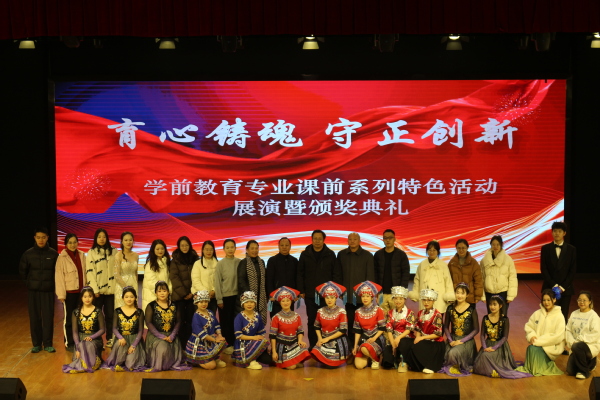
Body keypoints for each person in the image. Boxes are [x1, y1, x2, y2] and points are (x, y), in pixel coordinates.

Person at [296, 230, 340, 348]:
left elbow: (335, 273)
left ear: (324, 240)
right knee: (312, 321)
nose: (317, 241)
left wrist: (334, 291)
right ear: (312, 239)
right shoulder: (305, 254)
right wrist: (301, 290)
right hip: (310, 294)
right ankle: (313, 346)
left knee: (327, 320)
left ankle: (326, 346)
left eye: (320, 239)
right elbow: (300, 273)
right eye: (315, 238)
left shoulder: (330, 254)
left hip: (327, 295)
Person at [19, 227, 59, 353]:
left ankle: (47, 344)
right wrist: (29, 284)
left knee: (48, 317)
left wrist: (53, 285)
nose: (41, 240)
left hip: (48, 291)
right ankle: (36, 344)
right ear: (34, 238)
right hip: (33, 291)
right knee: (34, 317)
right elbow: (22, 272)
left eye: (43, 237)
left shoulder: (53, 254)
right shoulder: (28, 254)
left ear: (47, 238)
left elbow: (58, 272)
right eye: (38, 237)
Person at [473, 295, 531, 379]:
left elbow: (504, 337)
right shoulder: (485, 318)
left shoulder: (504, 319)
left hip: (499, 346)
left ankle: (493, 370)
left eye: (494, 304)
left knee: (485, 356)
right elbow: (482, 335)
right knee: (479, 362)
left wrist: (494, 348)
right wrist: (485, 347)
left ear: (500, 306)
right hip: (487, 345)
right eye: (490, 304)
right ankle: (491, 370)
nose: (492, 307)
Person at [336, 232, 375, 348]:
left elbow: (370, 276)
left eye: (355, 239)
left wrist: (369, 293)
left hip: (363, 297)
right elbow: (338, 274)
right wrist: (340, 291)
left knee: (364, 322)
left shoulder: (367, 255)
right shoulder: (342, 254)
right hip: (348, 296)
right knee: (350, 322)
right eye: (350, 239)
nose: (352, 241)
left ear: (359, 241)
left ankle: (363, 346)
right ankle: (351, 347)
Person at [515, 289, 565, 376]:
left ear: (554, 300)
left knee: (534, 349)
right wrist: (532, 336)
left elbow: (558, 336)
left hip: (550, 347)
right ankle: (533, 369)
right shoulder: (537, 313)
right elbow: (529, 327)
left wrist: (539, 342)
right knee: (531, 348)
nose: (546, 302)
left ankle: (538, 369)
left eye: (548, 300)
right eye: (544, 300)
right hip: (537, 343)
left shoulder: (559, 316)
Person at [144, 281, 190, 372]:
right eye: (159, 291)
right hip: (156, 336)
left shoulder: (174, 305)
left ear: (168, 292)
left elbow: (178, 321)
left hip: (171, 335)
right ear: (156, 293)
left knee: (171, 348)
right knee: (163, 348)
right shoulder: (151, 305)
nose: (162, 293)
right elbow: (148, 323)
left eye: (164, 291)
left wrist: (172, 335)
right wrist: (161, 336)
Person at [62, 287, 105, 373]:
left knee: (88, 344)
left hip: (94, 339)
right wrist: (78, 348)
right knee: (83, 344)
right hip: (81, 340)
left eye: (90, 296)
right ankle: (86, 365)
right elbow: (75, 332)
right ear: (81, 298)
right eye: (85, 296)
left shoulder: (98, 311)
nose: (87, 299)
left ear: (93, 297)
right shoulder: (76, 312)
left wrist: (91, 337)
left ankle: (86, 365)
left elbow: (102, 329)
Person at [439, 283, 479, 376]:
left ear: (467, 295)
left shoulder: (471, 309)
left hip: (466, 340)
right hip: (452, 339)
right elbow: (446, 326)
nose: (459, 295)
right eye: (457, 292)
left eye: (462, 293)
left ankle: (456, 366)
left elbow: (476, 329)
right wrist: (450, 340)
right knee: (442, 353)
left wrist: (461, 341)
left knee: (453, 353)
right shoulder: (450, 308)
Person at [541, 221, 577, 322]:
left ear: (564, 233)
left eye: (560, 231)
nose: (557, 233)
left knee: (563, 316)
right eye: (555, 231)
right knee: (547, 316)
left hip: (565, 289)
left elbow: (572, 270)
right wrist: (554, 285)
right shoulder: (545, 248)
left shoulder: (571, 249)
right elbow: (543, 269)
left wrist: (562, 287)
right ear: (552, 232)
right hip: (549, 288)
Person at [103, 286, 147, 372]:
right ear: (123, 298)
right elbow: (114, 328)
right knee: (119, 360)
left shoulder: (139, 312)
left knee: (130, 364)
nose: (129, 299)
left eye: (131, 297)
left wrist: (134, 345)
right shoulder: (117, 311)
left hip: (134, 340)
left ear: (135, 298)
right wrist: (120, 338)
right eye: (126, 297)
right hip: (122, 340)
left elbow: (140, 331)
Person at [55, 233, 86, 350]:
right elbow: (59, 277)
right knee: (69, 319)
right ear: (66, 244)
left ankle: (80, 341)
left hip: (82, 293)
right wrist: (61, 294)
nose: (73, 245)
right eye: (70, 243)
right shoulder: (62, 258)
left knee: (81, 318)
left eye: (74, 242)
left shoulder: (82, 255)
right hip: (69, 293)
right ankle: (69, 342)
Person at [86, 228, 116, 348]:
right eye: (99, 237)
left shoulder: (114, 251)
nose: (102, 239)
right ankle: (97, 340)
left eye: (104, 236)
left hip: (111, 291)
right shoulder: (91, 252)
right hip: (97, 292)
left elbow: (117, 270)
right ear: (96, 238)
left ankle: (110, 338)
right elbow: (90, 272)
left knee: (110, 316)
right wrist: (95, 290)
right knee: (97, 317)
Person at [405, 288, 446, 374]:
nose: (426, 302)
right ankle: (418, 366)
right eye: (424, 300)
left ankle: (430, 366)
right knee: (409, 344)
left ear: (433, 301)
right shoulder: (420, 313)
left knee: (418, 346)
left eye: (429, 300)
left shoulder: (437, 314)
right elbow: (418, 328)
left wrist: (422, 338)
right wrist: (418, 337)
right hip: (423, 339)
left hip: (435, 342)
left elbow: (438, 334)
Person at [269, 286, 311, 369]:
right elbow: (272, 336)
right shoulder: (276, 317)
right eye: (283, 301)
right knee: (292, 367)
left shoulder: (297, 316)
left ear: (291, 301)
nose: (286, 303)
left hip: (294, 343)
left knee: (305, 352)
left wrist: (300, 340)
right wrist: (274, 351)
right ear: (280, 303)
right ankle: (289, 362)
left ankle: (293, 361)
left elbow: (300, 331)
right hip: (282, 345)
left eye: (288, 300)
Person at [311, 281, 349, 368]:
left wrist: (327, 339)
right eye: (327, 298)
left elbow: (343, 330)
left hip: (337, 339)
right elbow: (316, 326)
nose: (329, 300)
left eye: (332, 297)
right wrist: (320, 339)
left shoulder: (341, 311)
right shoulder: (320, 311)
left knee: (331, 365)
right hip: (324, 338)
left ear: (336, 298)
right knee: (315, 352)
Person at [185, 290, 227, 369]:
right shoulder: (196, 316)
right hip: (200, 342)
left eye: (205, 301)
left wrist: (219, 335)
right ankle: (196, 361)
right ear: (196, 303)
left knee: (222, 341)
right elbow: (201, 334)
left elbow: (216, 324)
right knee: (212, 366)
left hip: (210, 340)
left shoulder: (210, 312)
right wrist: (215, 340)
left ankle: (214, 358)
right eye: (201, 302)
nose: (204, 304)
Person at [169, 236, 199, 349]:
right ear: (179, 246)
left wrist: (192, 293)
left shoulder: (195, 259)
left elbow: (197, 276)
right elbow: (174, 278)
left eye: (186, 245)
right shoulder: (175, 260)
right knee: (180, 321)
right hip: (179, 297)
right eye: (182, 245)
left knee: (192, 321)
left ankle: (190, 345)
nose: (184, 247)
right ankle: (181, 346)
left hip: (193, 296)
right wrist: (185, 293)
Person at [409, 240, 455, 312]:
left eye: (434, 250)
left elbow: (448, 281)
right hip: (425, 298)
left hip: (439, 298)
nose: (432, 252)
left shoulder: (443, 265)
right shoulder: (422, 264)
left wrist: (449, 295)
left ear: (438, 251)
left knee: (438, 315)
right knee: (424, 316)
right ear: (427, 251)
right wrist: (415, 293)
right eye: (430, 250)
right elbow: (417, 280)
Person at [214, 238, 241, 355]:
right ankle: (227, 344)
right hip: (225, 297)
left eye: (232, 247)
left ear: (235, 248)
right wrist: (219, 299)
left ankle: (236, 343)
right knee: (226, 322)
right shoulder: (220, 264)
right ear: (224, 249)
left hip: (237, 297)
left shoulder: (239, 262)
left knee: (236, 321)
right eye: (227, 247)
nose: (230, 249)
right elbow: (217, 282)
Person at [565, 291, 600, 379]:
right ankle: (590, 363)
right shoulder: (574, 313)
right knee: (570, 371)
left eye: (584, 300)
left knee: (578, 346)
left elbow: (595, 334)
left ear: (590, 302)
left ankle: (584, 371)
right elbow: (568, 330)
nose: (582, 302)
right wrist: (571, 341)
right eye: (579, 300)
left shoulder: (594, 316)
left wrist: (578, 341)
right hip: (575, 345)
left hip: (589, 346)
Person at [233, 291, 272, 370]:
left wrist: (263, 345)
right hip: (243, 343)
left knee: (268, 360)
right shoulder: (239, 317)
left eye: (251, 302)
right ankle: (250, 361)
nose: (249, 304)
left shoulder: (257, 316)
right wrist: (254, 338)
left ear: (255, 303)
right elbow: (238, 336)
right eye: (247, 302)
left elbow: (261, 332)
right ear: (243, 304)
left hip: (255, 342)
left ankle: (254, 357)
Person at [352, 281, 386, 370]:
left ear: (372, 297)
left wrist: (374, 338)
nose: (365, 298)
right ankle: (370, 356)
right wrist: (355, 345)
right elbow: (357, 331)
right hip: (364, 339)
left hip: (376, 338)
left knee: (364, 348)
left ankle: (376, 360)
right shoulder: (358, 312)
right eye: (363, 296)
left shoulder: (378, 310)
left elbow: (382, 328)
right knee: (359, 366)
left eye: (367, 296)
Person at [374, 229, 410, 313]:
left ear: (394, 239)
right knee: (382, 317)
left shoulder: (401, 254)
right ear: (383, 239)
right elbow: (375, 273)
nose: (388, 240)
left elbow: (405, 273)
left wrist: (402, 291)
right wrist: (376, 290)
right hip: (382, 293)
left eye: (390, 238)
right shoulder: (378, 254)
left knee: (396, 316)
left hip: (396, 294)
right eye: (385, 238)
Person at [480, 235, 518, 314]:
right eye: (493, 244)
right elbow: (481, 278)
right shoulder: (484, 260)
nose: (495, 246)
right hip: (489, 293)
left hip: (503, 293)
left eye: (497, 244)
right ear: (490, 245)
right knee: (491, 316)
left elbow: (512, 278)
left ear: (501, 245)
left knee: (502, 316)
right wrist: (482, 295)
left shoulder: (508, 259)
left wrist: (511, 295)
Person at [381, 286, 415, 373]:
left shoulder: (410, 313)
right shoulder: (390, 313)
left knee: (403, 344)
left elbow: (409, 329)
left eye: (400, 299)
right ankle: (394, 360)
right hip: (394, 337)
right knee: (387, 362)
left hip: (406, 338)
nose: (398, 301)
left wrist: (399, 338)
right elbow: (389, 329)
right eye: (395, 298)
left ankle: (404, 363)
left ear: (405, 299)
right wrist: (392, 341)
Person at [237, 240, 268, 326]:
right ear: (247, 250)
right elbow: (241, 280)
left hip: (261, 297)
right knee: (249, 323)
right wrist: (250, 296)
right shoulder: (243, 263)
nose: (254, 250)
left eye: (256, 248)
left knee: (260, 322)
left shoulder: (261, 262)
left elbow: (264, 279)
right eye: (252, 248)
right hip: (248, 299)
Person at [266, 237, 298, 318]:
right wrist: (271, 295)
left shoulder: (294, 261)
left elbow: (297, 278)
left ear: (290, 246)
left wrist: (296, 294)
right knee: (275, 320)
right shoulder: (272, 260)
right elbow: (269, 279)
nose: (284, 247)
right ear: (278, 246)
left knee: (289, 319)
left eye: (286, 245)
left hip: (290, 298)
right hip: (276, 298)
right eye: (282, 245)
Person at [447, 239, 483, 304]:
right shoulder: (452, 263)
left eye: (463, 248)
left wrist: (478, 296)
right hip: (456, 297)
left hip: (470, 297)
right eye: (459, 248)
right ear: (456, 248)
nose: (461, 250)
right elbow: (448, 281)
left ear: (467, 248)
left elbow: (478, 281)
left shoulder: (473, 263)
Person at [142, 239, 172, 313]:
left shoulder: (166, 262)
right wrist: (161, 293)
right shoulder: (150, 264)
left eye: (162, 248)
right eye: (157, 249)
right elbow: (151, 282)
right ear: (153, 250)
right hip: (152, 297)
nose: (160, 251)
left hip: (164, 297)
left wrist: (168, 291)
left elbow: (169, 280)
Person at [114, 232, 139, 310]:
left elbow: (136, 273)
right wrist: (126, 288)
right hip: (121, 286)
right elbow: (116, 274)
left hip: (134, 285)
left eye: (130, 240)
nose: (128, 242)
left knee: (133, 310)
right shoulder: (118, 255)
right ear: (122, 241)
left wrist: (134, 287)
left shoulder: (136, 255)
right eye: (126, 240)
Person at [191, 240, 218, 313]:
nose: (209, 252)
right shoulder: (197, 264)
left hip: (213, 298)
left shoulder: (218, 264)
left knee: (211, 317)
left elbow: (219, 280)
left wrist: (214, 290)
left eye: (211, 249)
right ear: (202, 250)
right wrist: (206, 293)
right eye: (206, 249)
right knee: (201, 318)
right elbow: (196, 281)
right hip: (200, 298)